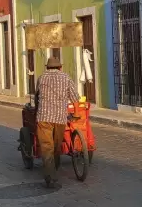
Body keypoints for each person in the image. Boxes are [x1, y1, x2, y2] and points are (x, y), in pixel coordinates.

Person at [35, 57, 80, 187]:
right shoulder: (66, 77)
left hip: (43, 118)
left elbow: (37, 95)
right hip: (60, 118)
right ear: (60, 67)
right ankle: (53, 171)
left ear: (47, 67)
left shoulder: (41, 78)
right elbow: (75, 99)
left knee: (46, 147)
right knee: (56, 146)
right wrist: (76, 114)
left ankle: (51, 175)